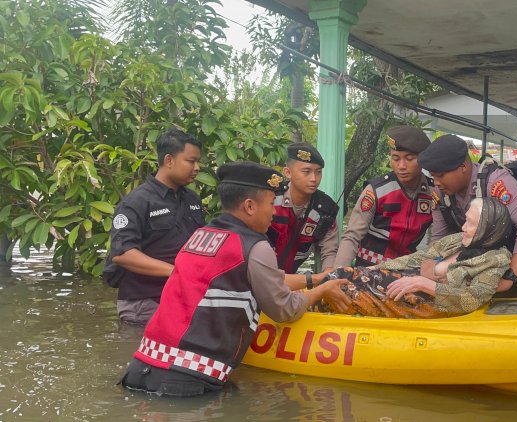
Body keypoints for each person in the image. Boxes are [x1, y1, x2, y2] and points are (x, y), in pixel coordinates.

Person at [119, 161, 351, 397]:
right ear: (249, 206)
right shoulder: (256, 246)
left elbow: (267, 279)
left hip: (141, 367)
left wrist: (315, 280)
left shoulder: (201, 235)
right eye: (271, 204)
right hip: (188, 377)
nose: (273, 212)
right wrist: (321, 292)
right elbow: (285, 309)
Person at [324, 197, 512, 318]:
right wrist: (374, 268)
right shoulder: (458, 241)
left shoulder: (496, 260)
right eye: (465, 221)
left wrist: (424, 284)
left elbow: (472, 299)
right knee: (346, 274)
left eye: (470, 224)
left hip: (424, 302)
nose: (463, 228)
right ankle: (304, 299)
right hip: (404, 285)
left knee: (345, 285)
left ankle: (308, 305)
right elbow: (418, 258)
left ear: (488, 231)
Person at [417, 134, 517, 294]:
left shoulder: (495, 183)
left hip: (515, 269)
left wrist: (510, 277)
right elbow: (440, 238)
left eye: (441, 175)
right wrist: (431, 263)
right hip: (474, 273)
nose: (436, 182)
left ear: (463, 166)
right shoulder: (441, 193)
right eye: (433, 176)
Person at [103, 128, 205, 326]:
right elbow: (122, 253)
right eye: (191, 161)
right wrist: (175, 271)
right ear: (169, 160)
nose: (197, 168)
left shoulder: (192, 199)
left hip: (185, 299)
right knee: (145, 357)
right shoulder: (136, 202)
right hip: (144, 303)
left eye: (198, 162)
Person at [334, 126, 433, 268]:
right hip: (368, 267)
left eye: (410, 159)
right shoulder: (377, 190)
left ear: (422, 159)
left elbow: (441, 238)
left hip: (405, 270)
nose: (401, 166)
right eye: (395, 158)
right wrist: (339, 273)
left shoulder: (434, 192)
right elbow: (352, 236)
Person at [266, 143, 339, 275]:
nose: (314, 179)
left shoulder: (326, 209)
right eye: (306, 172)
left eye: (318, 172)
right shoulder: (269, 197)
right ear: (288, 172)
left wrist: (328, 273)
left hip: (290, 280)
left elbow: (329, 250)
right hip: (257, 275)